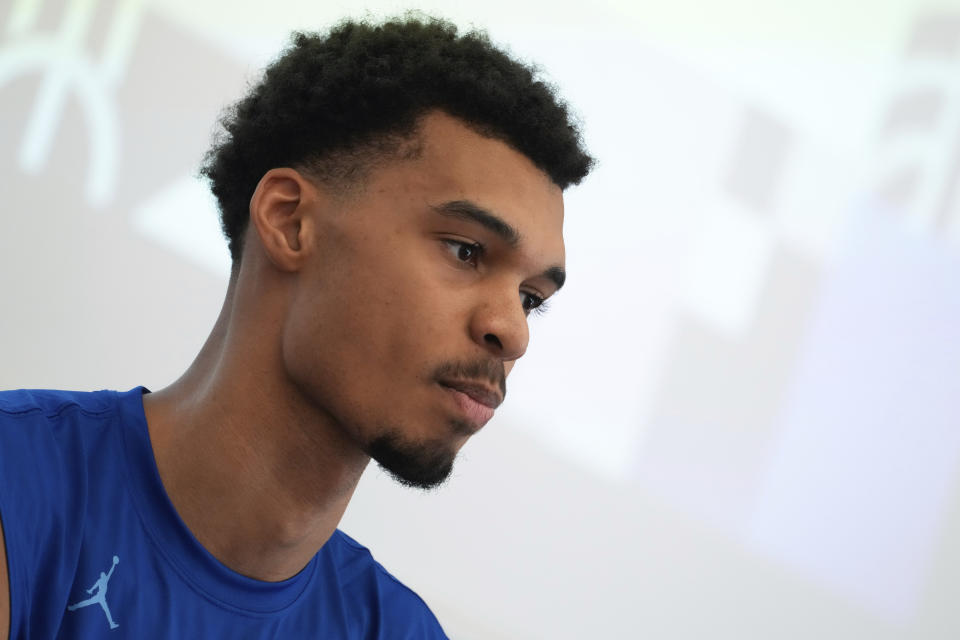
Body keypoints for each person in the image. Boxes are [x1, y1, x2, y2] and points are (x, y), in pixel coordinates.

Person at [0, 14, 592, 639]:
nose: (513, 335)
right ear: (289, 222)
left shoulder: (398, 631)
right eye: (465, 251)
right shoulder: (19, 482)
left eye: (531, 298)